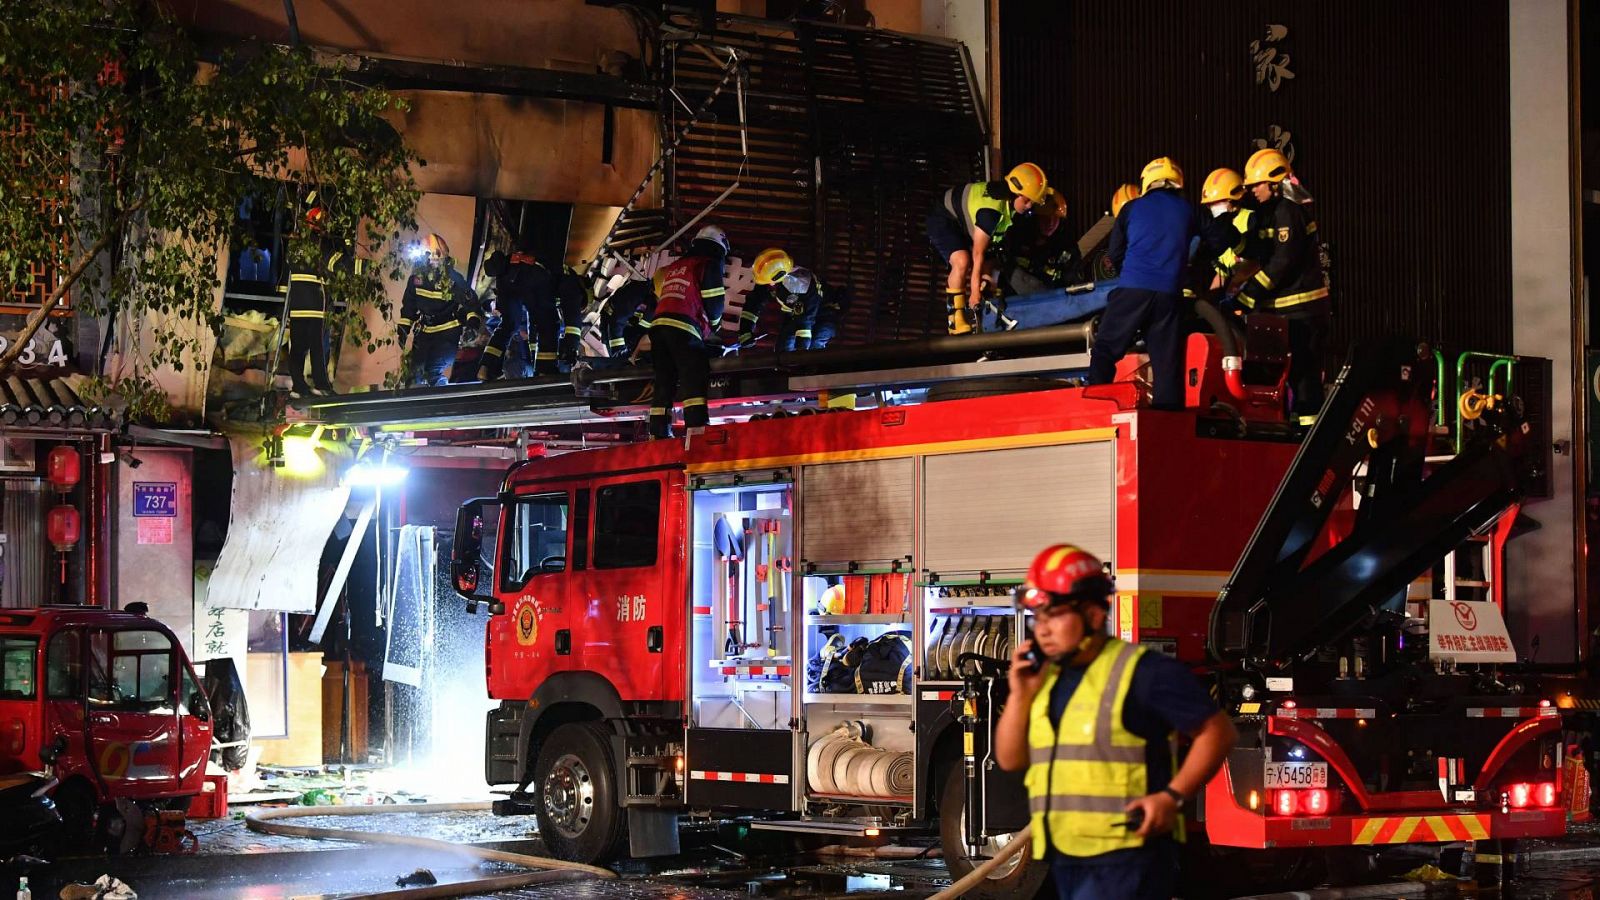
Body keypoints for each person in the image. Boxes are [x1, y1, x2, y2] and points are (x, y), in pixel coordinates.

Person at [995, 544, 1236, 900]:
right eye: (1038, 617)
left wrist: (1170, 798)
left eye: (1054, 615)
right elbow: (1011, 759)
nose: (1042, 630)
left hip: (1129, 857)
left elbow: (1218, 732)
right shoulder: (1046, 678)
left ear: (1093, 615)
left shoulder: (1144, 672)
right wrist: (1019, 695)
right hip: (1067, 854)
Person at [1088, 157, 1198, 409]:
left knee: (1106, 347)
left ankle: (1097, 403)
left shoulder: (1132, 208)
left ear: (1147, 182)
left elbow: (1114, 253)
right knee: (1166, 363)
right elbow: (1215, 238)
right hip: (1170, 295)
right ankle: (1168, 421)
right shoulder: (1187, 209)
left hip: (1134, 289)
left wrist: (1128, 274)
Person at [1235, 148, 1332, 424]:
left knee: (1304, 378)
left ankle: (1308, 437)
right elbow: (1258, 251)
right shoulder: (1269, 212)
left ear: (1275, 182)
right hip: (1280, 313)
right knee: (1275, 376)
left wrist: (1250, 293)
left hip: (1303, 311)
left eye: (1257, 184)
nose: (1252, 190)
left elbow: (1282, 261)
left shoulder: (1289, 211)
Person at [927, 162, 1049, 335]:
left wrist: (985, 283)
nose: (1029, 206)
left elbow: (990, 253)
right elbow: (977, 253)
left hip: (963, 223)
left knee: (992, 263)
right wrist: (974, 292)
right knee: (962, 260)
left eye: (1033, 202)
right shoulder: (990, 212)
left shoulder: (1009, 206)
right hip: (943, 218)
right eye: (1027, 200)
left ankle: (986, 314)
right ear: (1015, 193)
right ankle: (955, 318)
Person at [647, 225, 728, 438]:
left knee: (665, 378)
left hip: (658, 326)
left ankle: (658, 430)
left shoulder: (676, 266)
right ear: (719, 247)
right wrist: (715, 326)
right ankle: (696, 428)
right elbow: (714, 300)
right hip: (683, 325)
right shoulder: (708, 264)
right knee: (693, 375)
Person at [281, 194, 359, 400]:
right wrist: (363, 261)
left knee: (297, 348)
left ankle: (298, 387)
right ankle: (321, 385)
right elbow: (344, 266)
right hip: (317, 306)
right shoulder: (322, 246)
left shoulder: (294, 246)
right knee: (318, 348)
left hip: (297, 307)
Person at [398, 233, 480, 387]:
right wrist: (403, 328)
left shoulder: (453, 280)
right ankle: (414, 407)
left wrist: (472, 324)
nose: (427, 260)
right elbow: (409, 305)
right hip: (424, 333)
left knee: (432, 371)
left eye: (428, 255)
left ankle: (444, 405)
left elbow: (472, 303)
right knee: (413, 374)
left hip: (447, 334)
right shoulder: (416, 280)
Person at [478, 241, 553, 381]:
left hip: (506, 285)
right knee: (544, 323)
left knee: (507, 325)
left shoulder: (509, 261)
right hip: (530, 284)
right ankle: (545, 371)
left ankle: (486, 367)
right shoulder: (536, 265)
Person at [1002, 189, 1084, 296]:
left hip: (1053, 305)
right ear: (1034, 219)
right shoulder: (1016, 240)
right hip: (1017, 305)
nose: (1050, 223)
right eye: (1044, 218)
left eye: (1055, 218)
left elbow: (1075, 283)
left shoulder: (1067, 246)